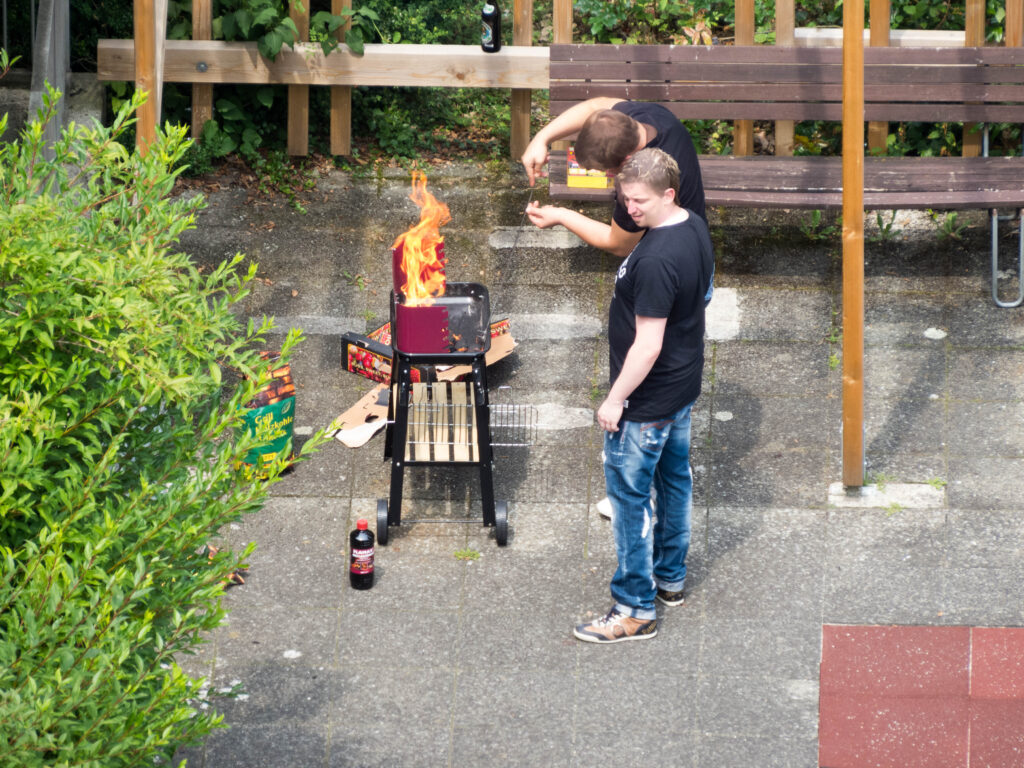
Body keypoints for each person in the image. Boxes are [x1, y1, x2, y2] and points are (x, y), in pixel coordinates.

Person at [573, 148, 714, 644]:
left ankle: (635, 609)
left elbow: (647, 343)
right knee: (675, 480)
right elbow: (704, 296)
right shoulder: (691, 224)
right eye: (625, 198)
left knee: (631, 500)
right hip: (683, 386)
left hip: (648, 402)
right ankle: (670, 578)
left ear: (667, 194)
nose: (630, 209)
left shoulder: (655, 259)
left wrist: (615, 401)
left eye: (639, 201)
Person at [522, 98, 706, 258]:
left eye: (605, 170)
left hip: (677, 262)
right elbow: (594, 106)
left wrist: (560, 215)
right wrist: (541, 139)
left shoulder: (641, 180)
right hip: (696, 241)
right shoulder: (648, 116)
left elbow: (619, 245)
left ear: (626, 160)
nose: (607, 175)